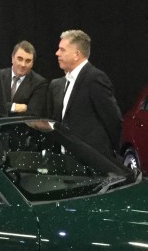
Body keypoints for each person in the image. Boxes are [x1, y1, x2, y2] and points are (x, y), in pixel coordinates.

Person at [47, 29, 122, 159]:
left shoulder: (95, 78)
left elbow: (113, 119)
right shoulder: (63, 82)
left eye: (62, 50)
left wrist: (109, 152)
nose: (57, 53)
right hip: (67, 157)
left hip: (91, 159)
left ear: (76, 54)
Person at [0, 41, 48, 117]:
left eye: (28, 61)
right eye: (20, 59)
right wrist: (13, 107)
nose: (23, 64)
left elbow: (32, 115)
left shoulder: (40, 83)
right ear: (12, 58)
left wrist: (3, 107)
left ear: (32, 63)